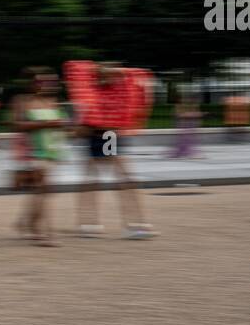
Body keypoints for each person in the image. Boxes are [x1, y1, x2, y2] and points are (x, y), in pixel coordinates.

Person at [63, 60, 157, 240]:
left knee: (122, 180)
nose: (111, 78)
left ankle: (133, 224)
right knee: (96, 180)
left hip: (109, 136)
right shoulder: (90, 94)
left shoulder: (116, 92)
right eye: (106, 75)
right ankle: (89, 224)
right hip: (97, 135)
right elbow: (80, 124)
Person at [12, 69, 68, 245]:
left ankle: (25, 222)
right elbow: (18, 125)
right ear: (33, 84)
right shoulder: (23, 101)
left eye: (51, 82)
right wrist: (47, 124)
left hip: (52, 151)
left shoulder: (54, 102)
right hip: (33, 152)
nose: (47, 85)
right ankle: (45, 233)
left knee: (40, 191)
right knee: (45, 190)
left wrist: (66, 125)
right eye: (42, 81)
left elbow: (65, 126)